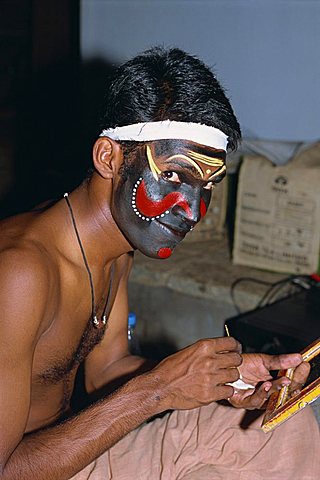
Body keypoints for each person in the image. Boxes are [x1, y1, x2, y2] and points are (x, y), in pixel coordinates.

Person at [0, 47, 319, 480]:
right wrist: (160, 389)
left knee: (279, 427)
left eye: (207, 185)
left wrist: (226, 378)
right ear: (109, 157)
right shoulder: (20, 274)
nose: (192, 209)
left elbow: (106, 373)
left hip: (78, 455)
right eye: (173, 175)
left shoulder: (114, 250)